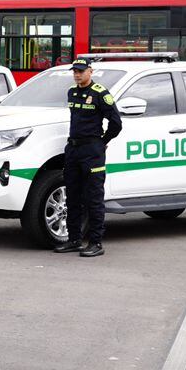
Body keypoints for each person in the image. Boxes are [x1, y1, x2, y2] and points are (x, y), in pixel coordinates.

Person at [56, 57, 122, 258]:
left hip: (92, 151)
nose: (77, 74)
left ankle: (95, 242)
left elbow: (116, 123)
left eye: (81, 71)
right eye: (75, 71)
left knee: (93, 198)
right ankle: (74, 239)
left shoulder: (100, 94)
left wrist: (102, 142)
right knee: (73, 196)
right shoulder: (72, 92)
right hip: (73, 149)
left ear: (90, 71)